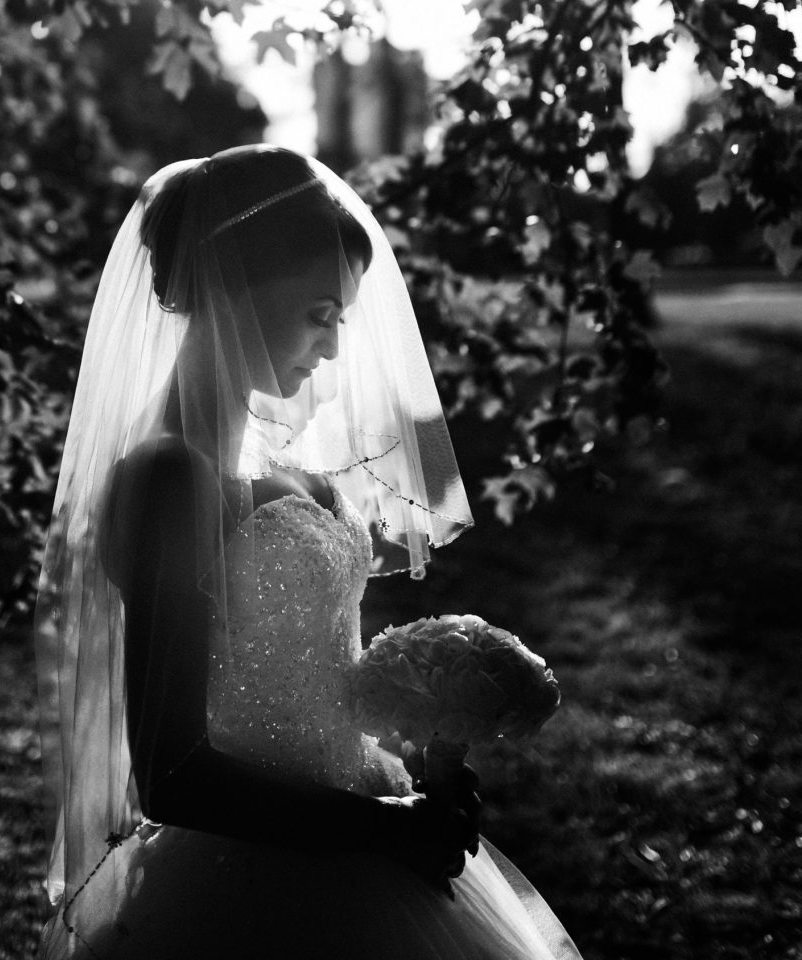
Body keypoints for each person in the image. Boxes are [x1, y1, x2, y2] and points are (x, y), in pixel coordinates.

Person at [34, 145, 583, 959]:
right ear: (232, 291)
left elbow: (312, 675)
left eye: (341, 320)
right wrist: (378, 830)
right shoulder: (169, 480)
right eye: (318, 313)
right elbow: (172, 771)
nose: (332, 349)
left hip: (356, 811)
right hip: (249, 883)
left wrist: (431, 745)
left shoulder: (281, 472)